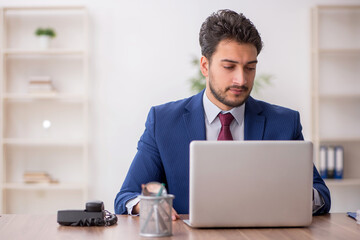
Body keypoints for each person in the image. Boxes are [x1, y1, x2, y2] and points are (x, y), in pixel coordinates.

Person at [114, 9, 331, 219]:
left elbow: (321, 196)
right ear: (205, 66)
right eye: (229, 66)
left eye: (250, 68)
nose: (242, 80)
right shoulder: (163, 122)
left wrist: (292, 195)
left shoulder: (284, 123)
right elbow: (127, 197)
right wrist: (147, 205)